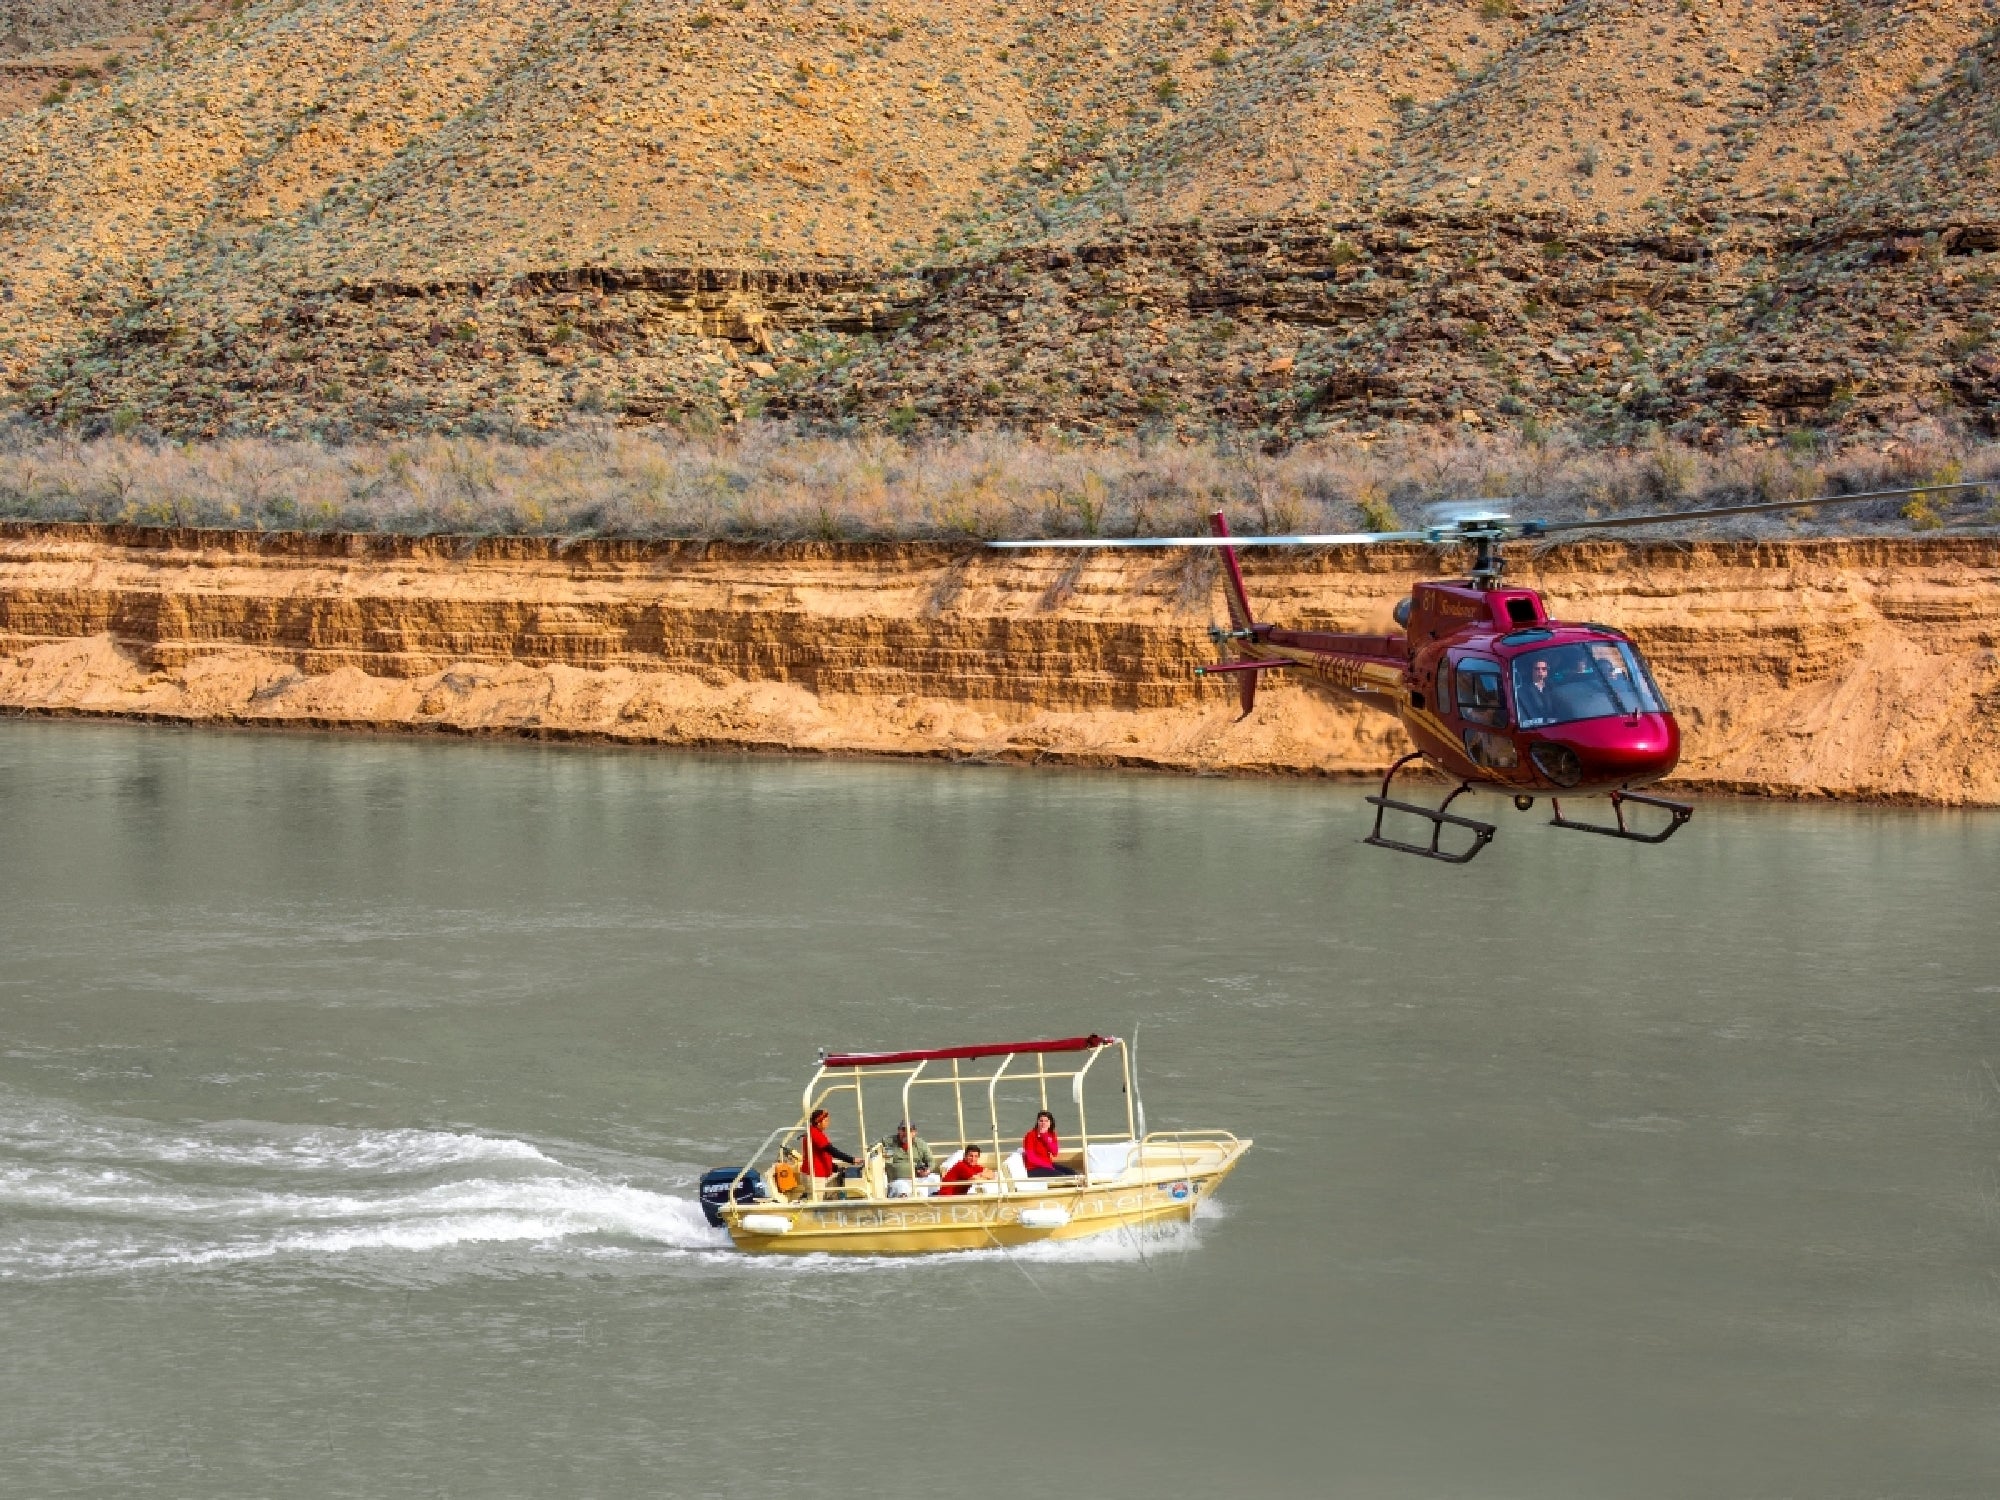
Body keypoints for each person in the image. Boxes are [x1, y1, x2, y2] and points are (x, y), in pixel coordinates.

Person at [800, 1107, 857, 1189]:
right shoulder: (816, 1135)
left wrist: (836, 1168)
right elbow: (832, 1151)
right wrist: (852, 1160)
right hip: (815, 1177)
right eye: (826, 1121)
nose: (828, 1123)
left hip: (812, 1174)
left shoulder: (813, 1132)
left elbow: (821, 1155)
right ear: (818, 1122)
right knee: (816, 1201)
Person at [878, 1121, 939, 1198]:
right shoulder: (888, 1143)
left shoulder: (920, 1144)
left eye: (910, 1130)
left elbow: (930, 1161)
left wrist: (927, 1171)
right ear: (898, 1130)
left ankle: (935, 1201)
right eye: (903, 1130)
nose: (906, 1133)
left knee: (935, 1178)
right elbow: (872, 1151)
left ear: (914, 1132)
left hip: (918, 1178)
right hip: (898, 1180)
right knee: (902, 1187)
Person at [1021, 1110, 1076, 1179]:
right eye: (1041, 1121)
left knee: (1072, 1173)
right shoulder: (1030, 1135)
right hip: (1033, 1168)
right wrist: (1047, 1166)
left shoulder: (1051, 1134)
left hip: (1048, 1165)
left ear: (1050, 1123)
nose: (1043, 1123)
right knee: (1061, 1177)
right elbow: (1031, 1157)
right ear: (1037, 1122)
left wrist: (1045, 1136)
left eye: (1046, 1121)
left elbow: (1054, 1152)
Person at [1516, 655, 1557, 727]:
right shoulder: (1523, 691)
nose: (1540, 671)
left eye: (1544, 669)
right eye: (1537, 669)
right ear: (1532, 671)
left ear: (1547, 671)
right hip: (1536, 727)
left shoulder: (1553, 688)